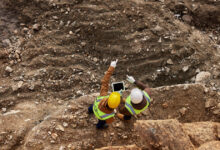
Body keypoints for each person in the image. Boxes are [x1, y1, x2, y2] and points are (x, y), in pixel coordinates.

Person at [88, 60, 121, 129]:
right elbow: (110, 121)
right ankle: (99, 127)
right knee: (101, 122)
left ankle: (89, 111)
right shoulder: (110, 115)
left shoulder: (103, 96)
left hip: (95, 107)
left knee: (91, 107)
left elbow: (105, 81)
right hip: (100, 117)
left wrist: (111, 67)